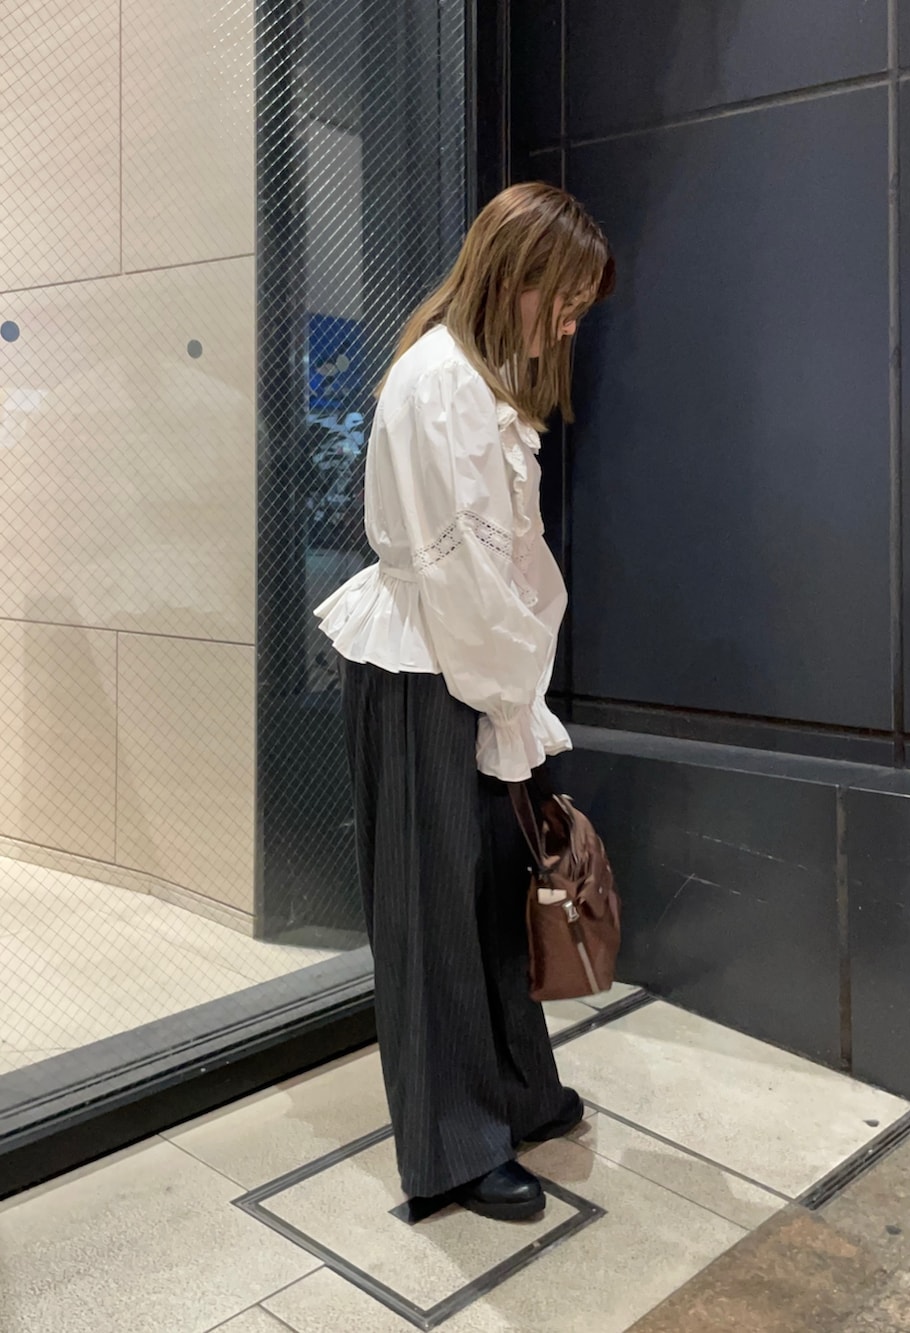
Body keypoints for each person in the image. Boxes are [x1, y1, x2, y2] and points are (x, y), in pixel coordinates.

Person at [315, 181, 615, 1221]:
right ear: (516, 277)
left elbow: (490, 568)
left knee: (487, 896)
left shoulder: (469, 377)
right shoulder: (442, 379)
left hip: (461, 664)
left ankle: (515, 1098)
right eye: (564, 301)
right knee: (433, 913)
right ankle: (453, 1147)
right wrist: (510, 695)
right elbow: (463, 572)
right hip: (430, 669)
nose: (570, 325)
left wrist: (508, 690)